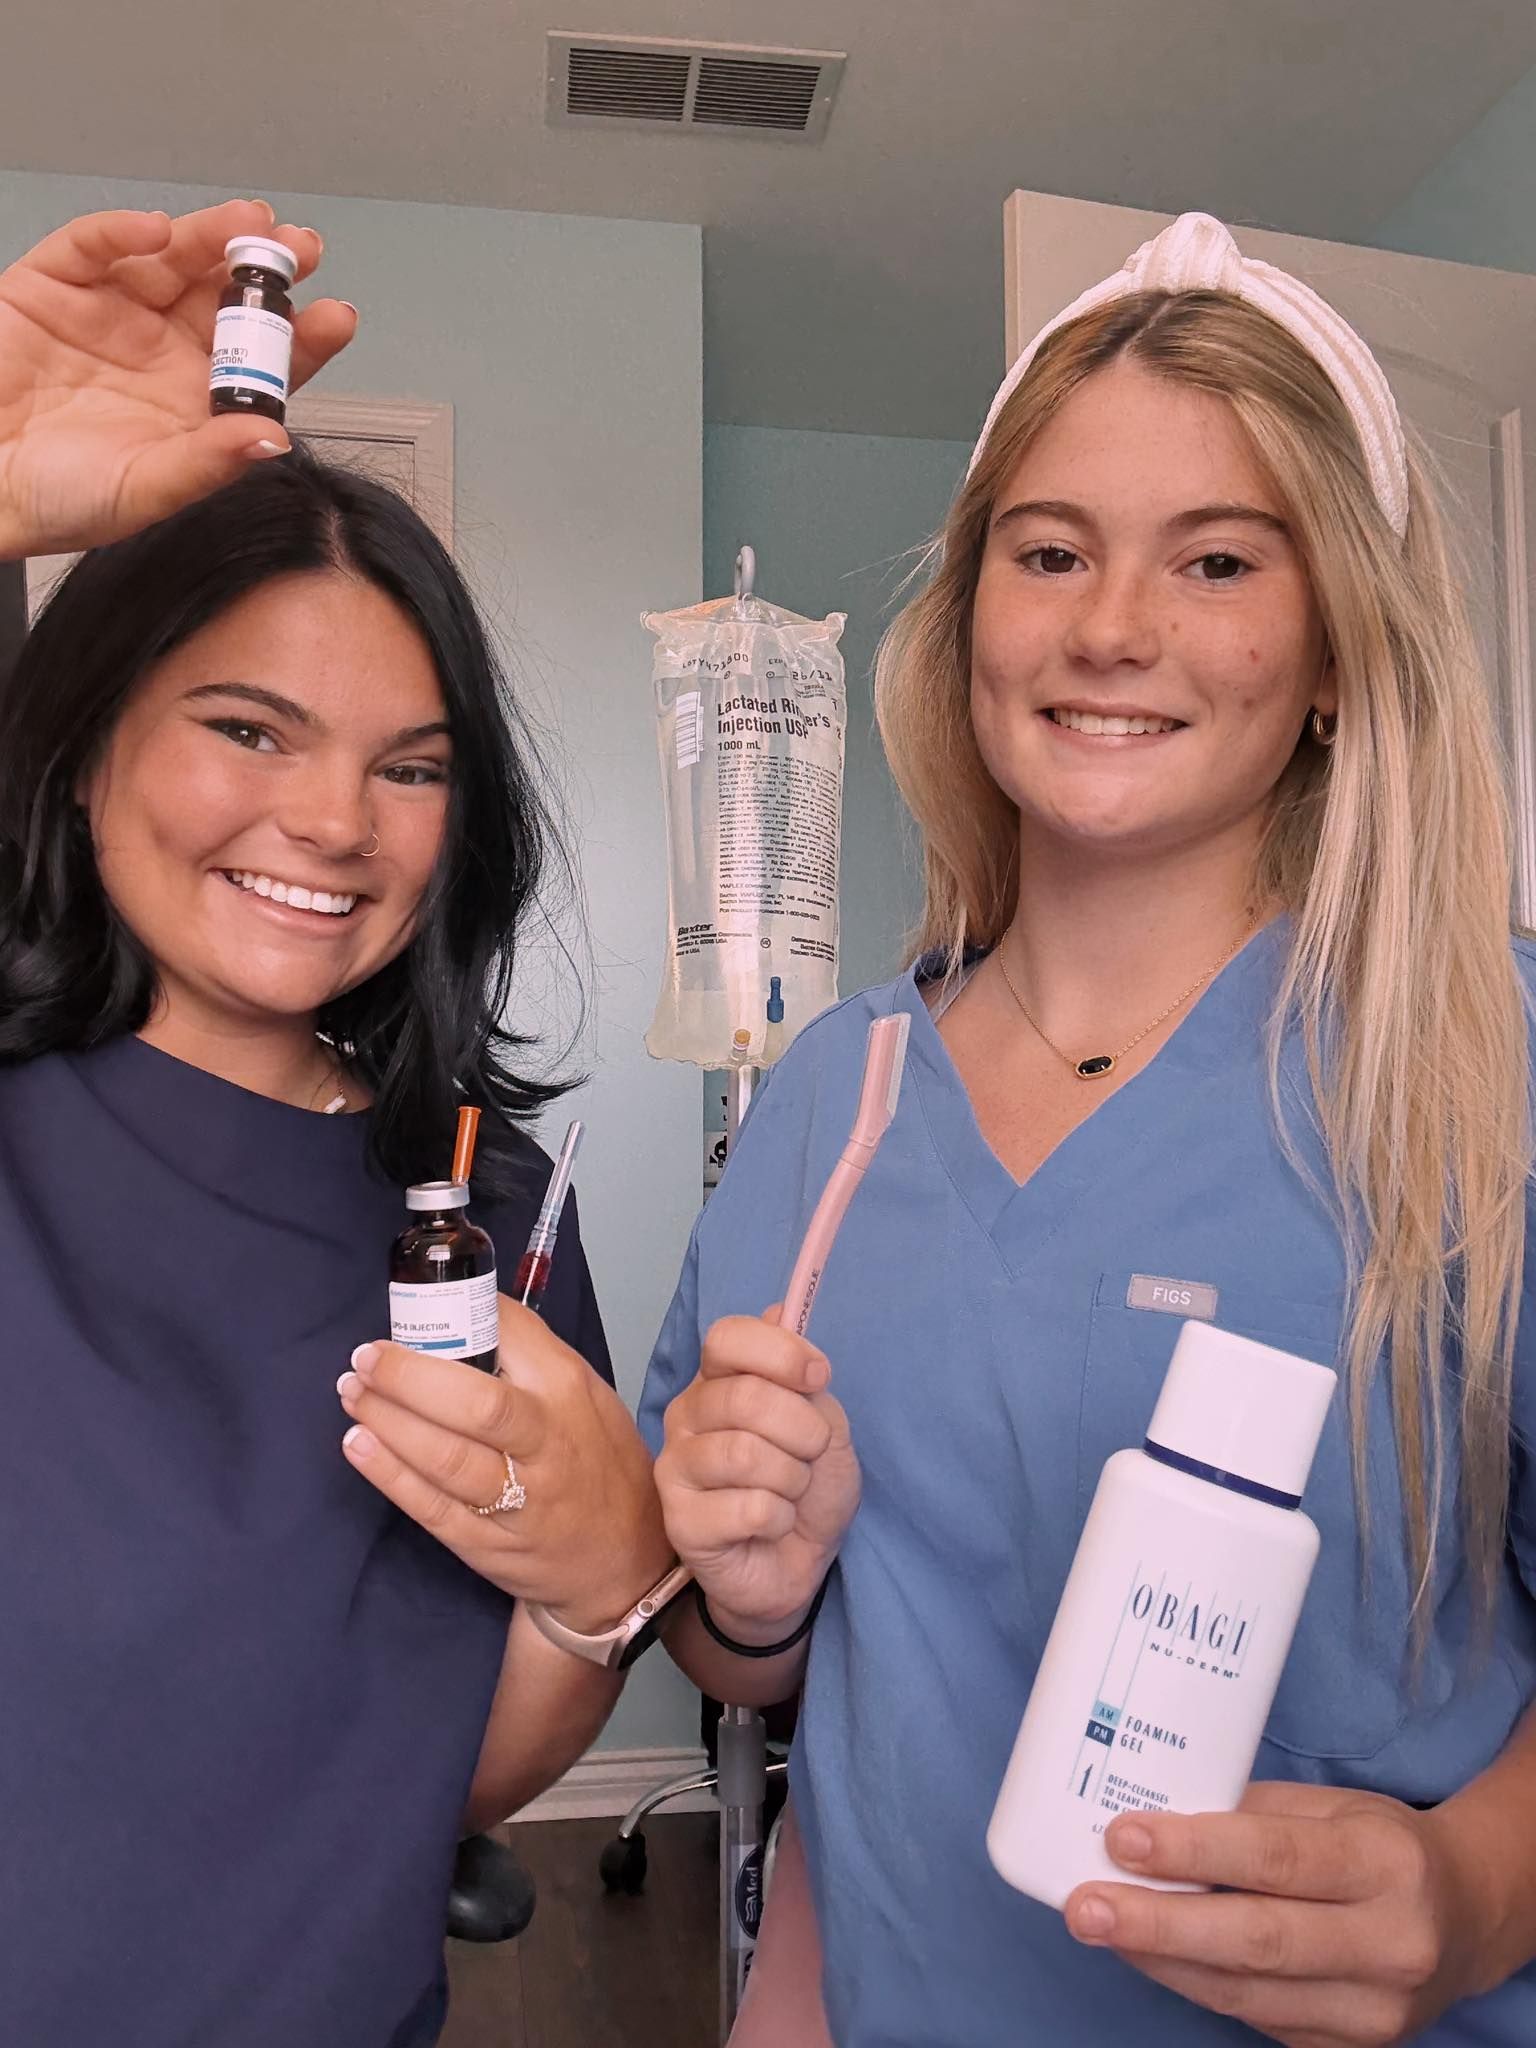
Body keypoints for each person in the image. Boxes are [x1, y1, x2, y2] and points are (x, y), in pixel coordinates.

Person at [642, 214, 1536, 2045]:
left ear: (1339, 654)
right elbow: (762, 1662)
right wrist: (743, 1588)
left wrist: (1471, 1898)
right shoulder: (834, 1102)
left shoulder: (1485, 1061)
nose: (1113, 627)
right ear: (973, 615)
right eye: (1050, 554)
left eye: (1216, 561)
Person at [0, 201, 680, 2047]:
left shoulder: (483, 1203)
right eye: (247, 727)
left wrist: (607, 1587)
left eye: (411, 766)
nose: (334, 824)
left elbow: (441, 1775)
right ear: (88, 736)